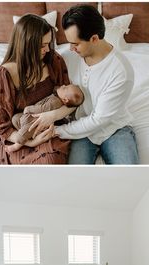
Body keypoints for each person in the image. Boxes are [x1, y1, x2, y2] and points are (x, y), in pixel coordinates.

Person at [53, 4, 139, 165]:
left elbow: (99, 120)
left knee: (128, 174)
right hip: (80, 130)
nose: (70, 48)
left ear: (94, 38)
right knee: (74, 178)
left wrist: (57, 131)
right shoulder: (67, 57)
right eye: (69, 42)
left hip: (115, 129)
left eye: (76, 44)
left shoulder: (121, 71)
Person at [0, 14, 75, 165]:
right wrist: (29, 142)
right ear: (25, 45)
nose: (47, 49)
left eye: (49, 43)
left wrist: (52, 116)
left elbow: (71, 101)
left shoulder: (53, 61)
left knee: (51, 161)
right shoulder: (3, 76)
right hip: (19, 134)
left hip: (50, 129)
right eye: (41, 45)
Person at [5, 84, 84, 153]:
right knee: (15, 119)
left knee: (22, 135)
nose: (63, 85)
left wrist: (28, 109)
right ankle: (27, 135)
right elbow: (57, 88)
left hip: (33, 121)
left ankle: (16, 146)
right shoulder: (57, 96)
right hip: (30, 117)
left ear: (65, 99)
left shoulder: (55, 102)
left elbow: (41, 109)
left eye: (65, 88)